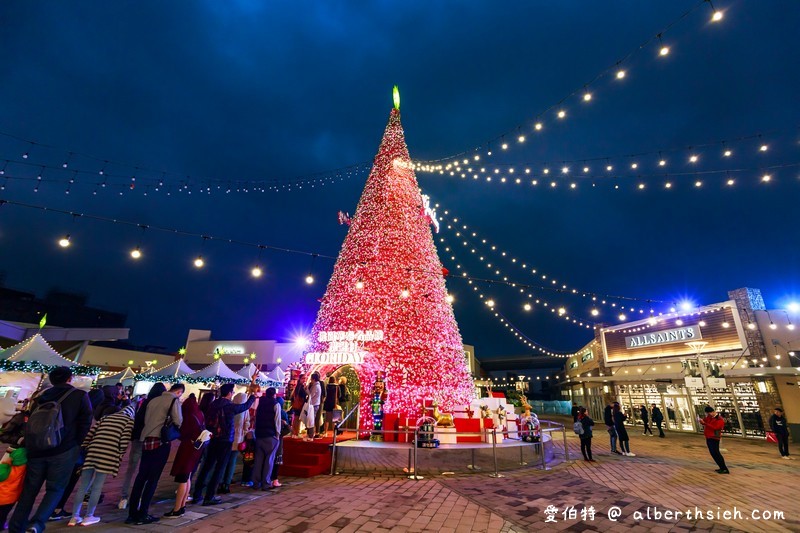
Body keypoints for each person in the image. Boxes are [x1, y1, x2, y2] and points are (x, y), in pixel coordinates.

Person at [10, 367, 92, 533]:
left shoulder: (39, 395)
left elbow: (29, 420)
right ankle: (37, 524)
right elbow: (86, 421)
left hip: (36, 449)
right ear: (70, 378)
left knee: (29, 490)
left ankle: (16, 525)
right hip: (63, 450)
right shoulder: (80, 396)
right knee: (55, 489)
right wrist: (76, 443)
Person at [126, 383, 184, 525]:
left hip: (146, 440)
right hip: (160, 441)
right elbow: (178, 421)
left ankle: (132, 513)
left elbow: (146, 420)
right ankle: (143, 512)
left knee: (141, 477)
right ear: (179, 392)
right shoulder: (173, 400)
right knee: (153, 479)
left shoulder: (152, 400)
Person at [68, 403, 135, 527]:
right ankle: (89, 516)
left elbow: (90, 434)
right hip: (108, 454)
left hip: (93, 451)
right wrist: (119, 455)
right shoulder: (128, 421)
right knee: (97, 486)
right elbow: (124, 440)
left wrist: (85, 448)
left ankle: (74, 517)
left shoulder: (106, 418)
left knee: (83, 486)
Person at [192, 384, 255, 506]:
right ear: (229, 393)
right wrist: (253, 396)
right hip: (225, 440)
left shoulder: (213, 404)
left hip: (212, 439)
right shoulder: (229, 406)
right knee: (219, 468)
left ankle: (197, 494)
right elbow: (245, 406)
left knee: (207, 466)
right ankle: (210, 496)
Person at [118, 382, 166, 510]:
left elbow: (138, 420)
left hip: (138, 438)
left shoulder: (145, 402)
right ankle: (138, 497)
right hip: (150, 440)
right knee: (146, 470)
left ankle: (124, 497)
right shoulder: (159, 405)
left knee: (131, 469)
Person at [165, 394, 205, 518]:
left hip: (187, 448)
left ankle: (177, 508)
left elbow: (182, 433)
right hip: (196, 449)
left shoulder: (188, 417)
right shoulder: (200, 414)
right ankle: (182, 506)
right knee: (187, 477)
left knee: (183, 477)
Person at [220, 392, 251, 493]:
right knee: (232, 461)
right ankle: (227, 483)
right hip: (238, 438)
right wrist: (244, 433)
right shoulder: (244, 410)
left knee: (224, 460)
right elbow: (247, 424)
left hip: (227, 437)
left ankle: (220, 481)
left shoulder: (230, 407)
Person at [251, 388, 281, 490]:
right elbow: (277, 421)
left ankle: (255, 482)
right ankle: (266, 483)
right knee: (269, 460)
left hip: (259, 434)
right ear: (274, 395)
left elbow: (256, 417)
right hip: (270, 435)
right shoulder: (275, 404)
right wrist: (277, 434)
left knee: (258, 460)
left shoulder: (260, 403)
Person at [0, 446, 27, 530]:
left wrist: (5, 464)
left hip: (2, 496)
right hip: (11, 498)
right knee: (2, 515)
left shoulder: (5, 470)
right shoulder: (23, 470)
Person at [699, 406, 728, 473]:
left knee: (716, 453)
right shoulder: (709, 417)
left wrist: (705, 423)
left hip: (714, 437)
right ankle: (721, 467)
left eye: (708, 413)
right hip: (709, 436)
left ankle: (724, 468)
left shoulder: (719, 419)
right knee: (713, 453)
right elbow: (704, 421)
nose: (707, 415)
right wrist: (701, 421)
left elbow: (716, 427)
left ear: (712, 412)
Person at [269, 397, 289, 488]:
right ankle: (274, 479)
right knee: (276, 461)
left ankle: (268, 478)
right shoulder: (283, 413)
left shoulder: (270, 412)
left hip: (270, 437)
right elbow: (287, 428)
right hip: (278, 439)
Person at [307, 373, 322, 440]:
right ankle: (311, 435)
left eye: (311, 379)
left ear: (314, 379)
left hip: (314, 404)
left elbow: (311, 395)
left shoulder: (316, 386)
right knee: (311, 419)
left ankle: (311, 435)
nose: (310, 380)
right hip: (315, 404)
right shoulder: (317, 385)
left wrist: (307, 390)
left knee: (311, 420)